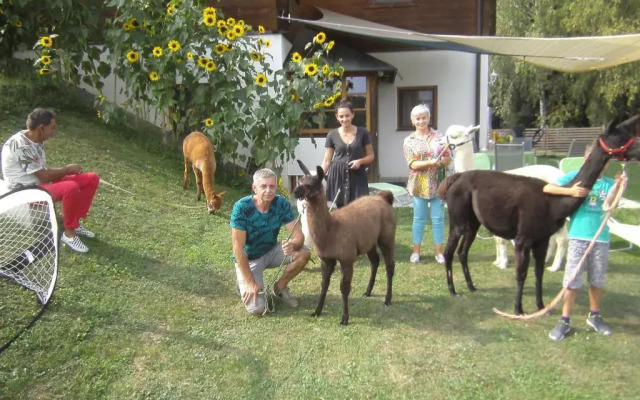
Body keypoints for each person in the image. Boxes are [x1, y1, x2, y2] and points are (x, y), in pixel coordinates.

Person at [544, 142, 626, 341]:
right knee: (572, 280)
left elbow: (610, 207)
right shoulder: (575, 178)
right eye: (596, 160)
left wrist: (619, 188)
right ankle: (564, 320)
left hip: (601, 238)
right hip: (578, 237)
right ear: (586, 160)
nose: (601, 164)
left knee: (597, 280)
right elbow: (548, 188)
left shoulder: (608, 183)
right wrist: (570, 192)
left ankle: (594, 316)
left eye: (605, 161)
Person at [1, 108, 100, 253]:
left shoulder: (35, 140)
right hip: (26, 191)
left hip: (40, 183)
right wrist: (67, 169)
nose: (54, 131)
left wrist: (67, 171)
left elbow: (43, 170)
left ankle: (75, 224)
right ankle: (69, 235)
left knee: (91, 178)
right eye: (52, 128)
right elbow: (45, 176)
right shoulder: (19, 145)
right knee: (70, 187)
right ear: (41, 128)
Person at [230, 168, 311, 315]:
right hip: (250, 258)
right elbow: (238, 248)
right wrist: (249, 282)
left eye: (272, 186)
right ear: (254, 188)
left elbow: (299, 236)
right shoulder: (241, 207)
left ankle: (280, 288)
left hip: (271, 250)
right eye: (263, 186)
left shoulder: (281, 204)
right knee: (257, 309)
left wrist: (292, 245)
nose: (268, 190)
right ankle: (243, 280)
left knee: (303, 253)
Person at [402, 104, 451, 264]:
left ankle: (439, 252)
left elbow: (448, 158)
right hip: (419, 184)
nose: (421, 121)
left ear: (429, 118)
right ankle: (416, 251)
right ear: (412, 120)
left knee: (438, 219)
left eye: (424, 117)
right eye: (418, 118)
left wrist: (442, 162)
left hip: (438, 183)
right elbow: (412, 164)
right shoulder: (409, 141)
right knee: (419, 219)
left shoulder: (440, 137)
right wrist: (430, 162)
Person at [321, 100, 375, 208]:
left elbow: (371, 156)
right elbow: (327, 160)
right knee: (342, 210)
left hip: (357, 175)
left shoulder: (362, 132)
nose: (344, 119)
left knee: (360, 208)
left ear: (352, 115)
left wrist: (360, 161)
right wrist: (318, 177)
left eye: (347, 116)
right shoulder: (332, 135)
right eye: (341, 116)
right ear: (337, 117)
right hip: (338, 175)